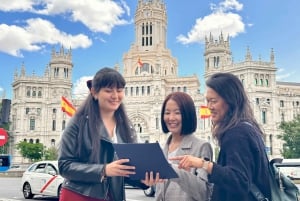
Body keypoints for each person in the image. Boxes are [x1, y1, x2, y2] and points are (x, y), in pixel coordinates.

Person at [170, 73, 272, 201]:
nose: (209, 107)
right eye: (207, 101)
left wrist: (203, 164)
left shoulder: (237, 133)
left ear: (230, 101)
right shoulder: (247, 128)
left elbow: (239, 181)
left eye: (214, 101)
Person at [58, 67, 151, 201]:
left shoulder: (126, 127)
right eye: (108, 90)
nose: (115, 96)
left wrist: (142, 181)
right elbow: (64, 166)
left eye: (119, 90)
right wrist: (103, 170)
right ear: (94, 92)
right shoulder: (78, 123)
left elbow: (124, 170)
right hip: (79, 196)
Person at [155, 91, 213, 201]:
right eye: (167, 113)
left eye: (177, 113)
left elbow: (204, 193)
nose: (171, 118)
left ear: (188, 114)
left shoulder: (201, 147)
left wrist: (171, 169)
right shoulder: (162, 149)